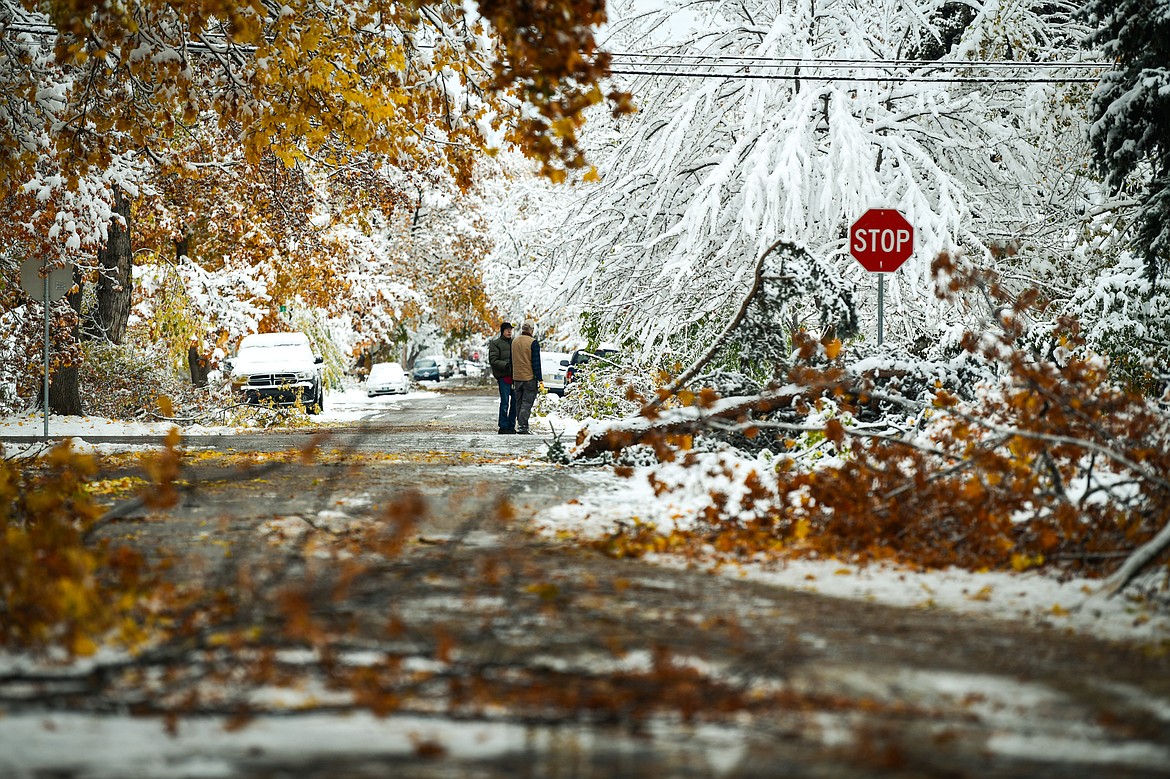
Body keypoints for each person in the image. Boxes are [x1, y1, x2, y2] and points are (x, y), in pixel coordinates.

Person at [510, 322, 543, 435]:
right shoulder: (533, 342)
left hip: (516, 377)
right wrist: (539, 378)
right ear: (531, 330)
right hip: (529, 377)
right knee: (527, 403)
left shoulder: (514, 341)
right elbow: (536, 362)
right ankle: (523, 427)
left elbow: (511, 359)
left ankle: (521, 424)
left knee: (519, 402)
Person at [488, 322, 517, 434]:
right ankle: (503, 426)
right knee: (505, 402)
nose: (509, 332)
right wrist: (505, 365)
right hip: (504, 376)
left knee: (514, 402)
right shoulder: (496, 344)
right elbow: (493, 360)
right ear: (502, 331)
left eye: (511, 330)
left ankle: (511, 426)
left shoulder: (515, 343)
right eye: (507, 330)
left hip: (515, 377)